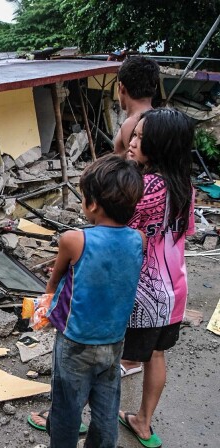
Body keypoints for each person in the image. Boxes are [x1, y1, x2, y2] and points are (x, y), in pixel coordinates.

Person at [28, 155, 146, 448]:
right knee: (106, 410)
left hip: (75, 342)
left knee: (67, 408)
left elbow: (55, 283)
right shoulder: (139, 239)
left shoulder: (73, 239)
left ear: (92, 204)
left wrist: (44, 308)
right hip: (114, 341)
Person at [118, 108, 195, 448]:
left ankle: (70, 416)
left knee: (108, 354)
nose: (131, 142)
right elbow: (184, 232)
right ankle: (144, 423)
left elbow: (119, 232)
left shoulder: (147, 186)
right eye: (134, 135)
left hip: (143, 290)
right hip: (174, 287)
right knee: (157, 355)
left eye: (140, 139)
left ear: (160, 146)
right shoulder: (185, 185)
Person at [113, 56, 160, 157]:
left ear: (121, 88)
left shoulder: (132, 124)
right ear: (155, 88)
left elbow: (134, 169)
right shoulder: (162, 123)